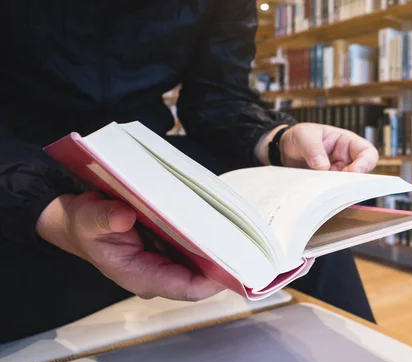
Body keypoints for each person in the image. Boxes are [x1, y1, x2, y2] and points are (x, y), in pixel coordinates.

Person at [0, 1, 379, 343]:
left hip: (144, 162)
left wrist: (278, 140)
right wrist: (50, 215)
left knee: (303, 225)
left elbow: (217, 95)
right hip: (17, 170)